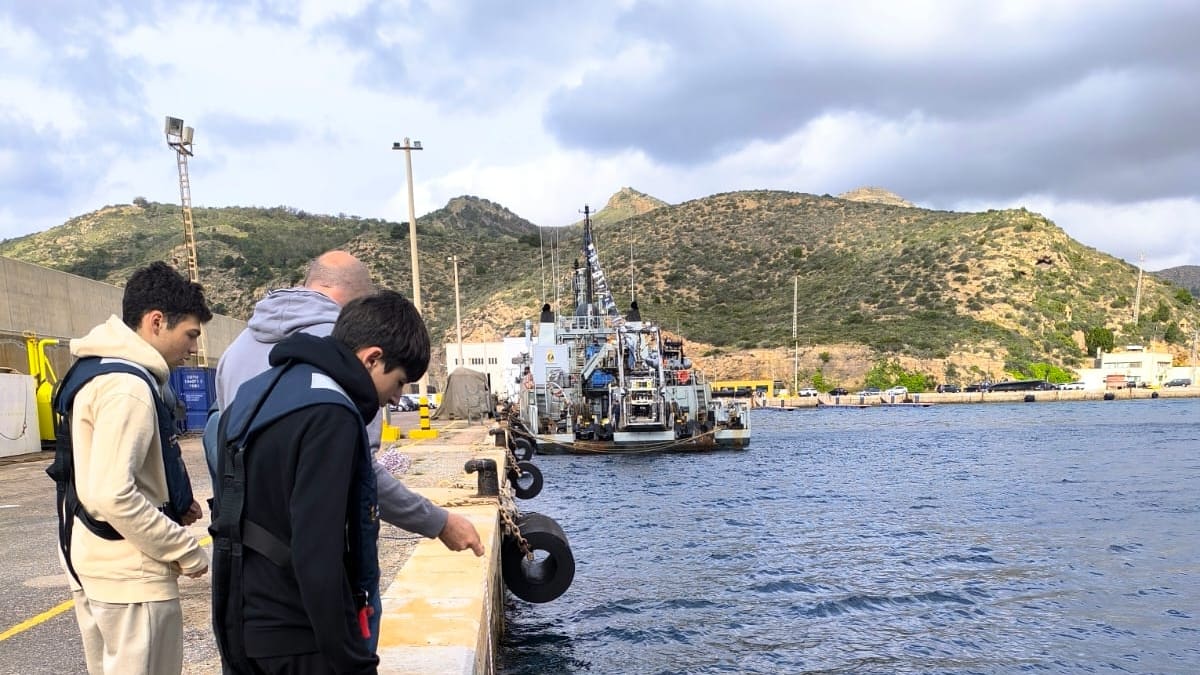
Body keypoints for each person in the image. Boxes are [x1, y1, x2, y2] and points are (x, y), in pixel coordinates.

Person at [211, 250, 483, 647]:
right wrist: (437, 522)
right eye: (400, 383)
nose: (396, 398)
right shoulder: (343, 371)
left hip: (246, 590)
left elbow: (223, 451)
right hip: (315, 599)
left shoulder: (237, 351)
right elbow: (359, 479)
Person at [212, 291, 424, 672]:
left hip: (244, 624)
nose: (397, 397)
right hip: (299, 637)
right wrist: (351, 658)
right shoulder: (331, 415)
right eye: (399, 381)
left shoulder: (257, 391)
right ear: (372, 358)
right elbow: (317, 553)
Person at [55, 261, 211, 675]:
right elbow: (111, 494)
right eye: (190, 335)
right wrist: (183, 548)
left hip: (93, 558)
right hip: (132, 575)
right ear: (156, 322)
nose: (192, 349)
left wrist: (171, 501)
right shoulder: (129, 387)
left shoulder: (95, 370)